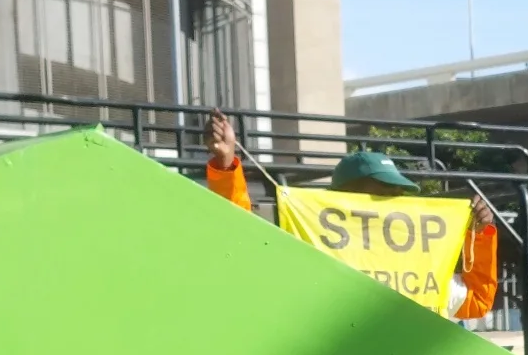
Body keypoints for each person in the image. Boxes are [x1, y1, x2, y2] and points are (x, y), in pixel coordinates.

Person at [201, 109, 501, 320]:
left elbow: (476, 300)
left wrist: (479, 234)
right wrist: (226, 165)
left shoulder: (420, 272)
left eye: (395, 196)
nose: (390, 207)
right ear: (343, 202)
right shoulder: (310, 252)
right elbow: (242, 243)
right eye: (379, 195)